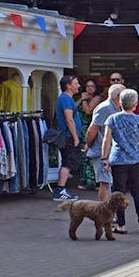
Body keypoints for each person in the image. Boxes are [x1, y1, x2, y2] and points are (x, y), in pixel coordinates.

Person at [101, 89, 139, 234]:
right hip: (137, 159)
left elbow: (106, 140)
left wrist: (104, 158)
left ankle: (121, 225)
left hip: (118, 160)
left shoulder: (112, 119)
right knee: (137, 192)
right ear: (135, 105)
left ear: (120, 103)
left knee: (118, 194)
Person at [84, 83, 124, 202]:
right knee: (105, 182)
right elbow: (92, 130)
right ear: (118, 96)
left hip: (111, 151)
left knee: (108, 182)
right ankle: (104, 211)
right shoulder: (105, 108)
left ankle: (108, 210)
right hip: (102, 152)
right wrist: (89, 144)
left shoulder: (115, 108)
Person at [53, 74, 83, 202]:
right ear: (68, 86)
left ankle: (61, 190)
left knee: (68, 162)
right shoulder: (65, 99)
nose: (78, 86)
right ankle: (60, 190)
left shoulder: (67, 99)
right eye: (76, 83)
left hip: (69, 136)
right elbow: (69, 119)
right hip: (69, 136)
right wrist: (75, 137)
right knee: (67, 163)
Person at [75, 78, 101, 190]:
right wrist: (81, 99)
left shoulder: (97, 98)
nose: (89, 88)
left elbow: (88, 111)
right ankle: (84, 180)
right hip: (80, 129)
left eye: (92, 86)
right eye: (87, 86)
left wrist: (84, 100)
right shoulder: (82, 98)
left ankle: (93, 181)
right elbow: (73, 108)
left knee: (89, 155)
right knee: (82, 156)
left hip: (89, 129)